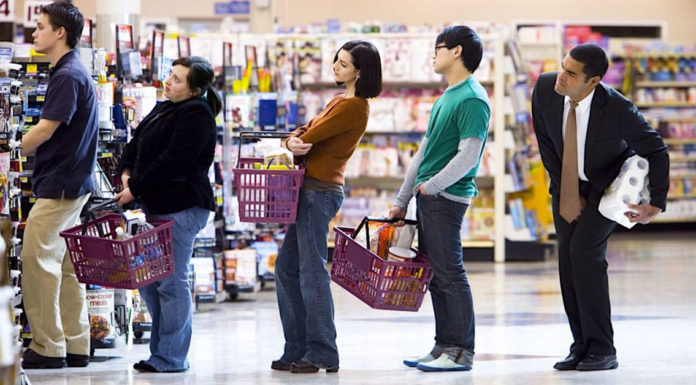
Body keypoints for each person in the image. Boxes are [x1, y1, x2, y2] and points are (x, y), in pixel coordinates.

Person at [531, 43, 669, 371]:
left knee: (584, 255)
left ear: (592, 82)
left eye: (571, 73)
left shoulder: (618, 109)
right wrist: (565, 187)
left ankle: (603, 348)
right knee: (567, 260)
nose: (561, 77)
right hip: (566, 185)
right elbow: (545, 141)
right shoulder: (545, 89)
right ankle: (580, 345)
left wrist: (657, 204)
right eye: (562, 66)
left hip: (604, 188)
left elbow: (657, 150)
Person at [272, 40, 382, 374]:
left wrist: (295, 140)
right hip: (308, 190)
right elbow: (301, 134)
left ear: (361, 72)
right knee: (287, 268)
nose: (335, 66)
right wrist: (294, 140)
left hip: (319, 192)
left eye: (344, 64)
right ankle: (297, 348)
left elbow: (311, 135)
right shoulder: (339, 100)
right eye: (336, 60)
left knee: (311, 270)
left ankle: (321, 352)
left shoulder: (354, 106)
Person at [387, 25, 490, 372]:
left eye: (438, 48)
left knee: (450, 273)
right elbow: (425, 151)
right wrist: (403, 198)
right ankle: (443, 345)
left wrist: (433, 186)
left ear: (457, 51)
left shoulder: (473, 98)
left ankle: (461, 350)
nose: (434, 55)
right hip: (429, 197)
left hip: (447, 198)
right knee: (436, 275)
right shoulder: (447, 97)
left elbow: (469, 155)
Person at [114, 56, 221, 373]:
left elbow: (173, 160)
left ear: (195, 89)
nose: (168, 83)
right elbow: (137, 141)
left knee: (171, 282)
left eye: (177, 79)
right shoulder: (166, 107)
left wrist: (134, 187)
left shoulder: (197, 115)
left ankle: (171, 356)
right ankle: (159, 352)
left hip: (182, 205)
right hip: (155, 205)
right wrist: (126, 172)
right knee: (149, 281)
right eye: (170, 75)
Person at [20, 1, 98, 370]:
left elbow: (46, 128)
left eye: (40, 26)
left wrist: (14, 145)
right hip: (74, 183)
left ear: (60, 33)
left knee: (37, 261)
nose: (34, 33)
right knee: (65, 266)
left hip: (60, 185)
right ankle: (74, 342)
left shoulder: (67, 76)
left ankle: (48, 347)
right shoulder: (73, 71)